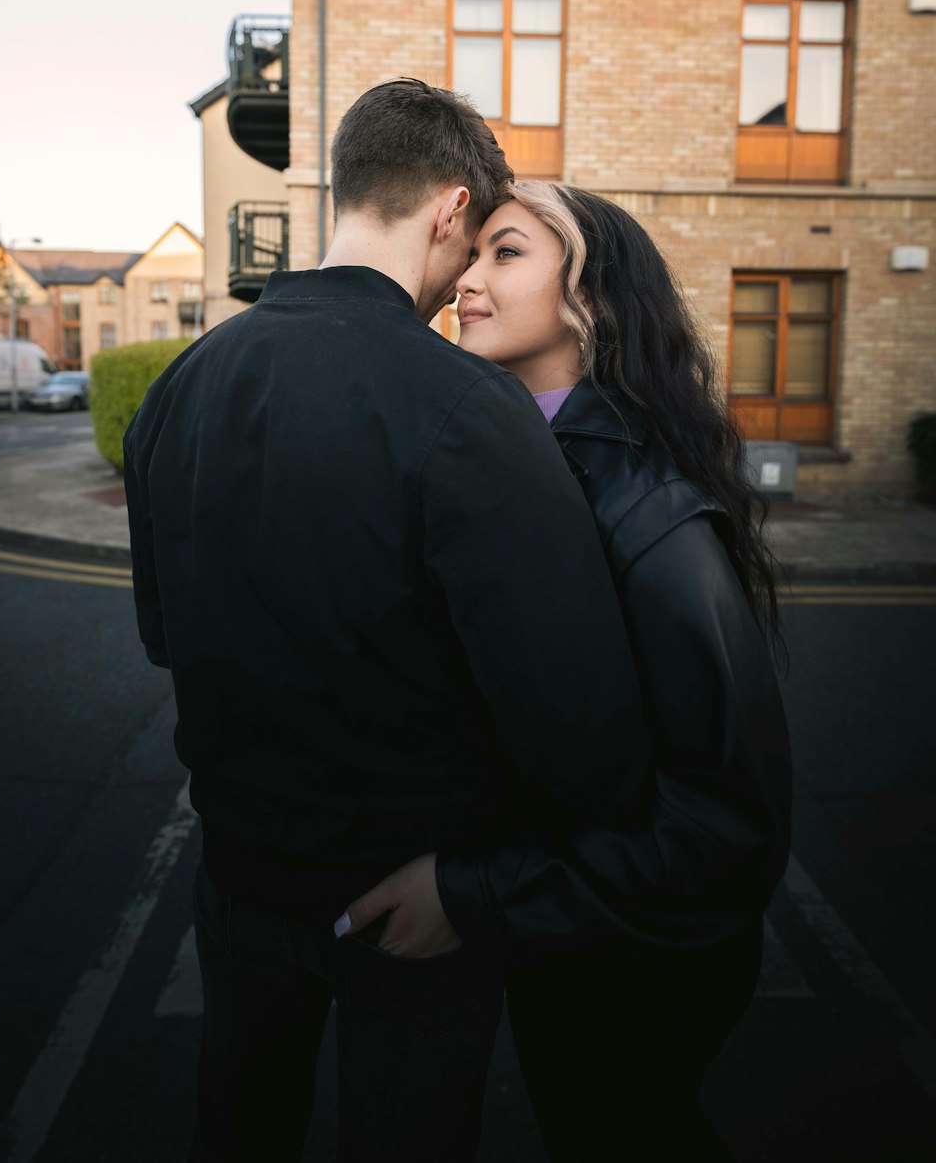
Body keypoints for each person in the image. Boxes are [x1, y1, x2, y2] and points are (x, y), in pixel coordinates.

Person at [123, 82, 651, 1163]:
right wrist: (488, 884)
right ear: (450, 211)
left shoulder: (179, 387)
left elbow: (164, 635)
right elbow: (575, 715)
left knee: (240, 1123)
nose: (466, 281)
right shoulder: (468, 407)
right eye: (476, 246)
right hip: (411, 904)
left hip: (241, 876)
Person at [413, 179, 789, 1160]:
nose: (466, 279)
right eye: (473, 252)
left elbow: (722, 828)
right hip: (569, 930)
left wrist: (470, 895)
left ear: (592, 302)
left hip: (639, 962)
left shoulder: (645, 514)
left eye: (506, 252)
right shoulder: (522, 465)